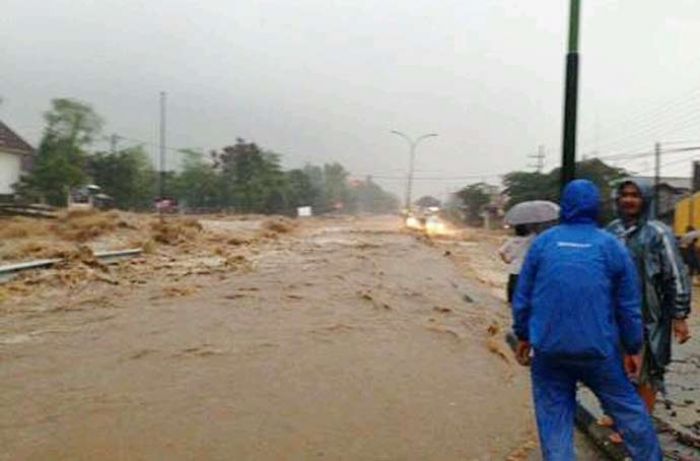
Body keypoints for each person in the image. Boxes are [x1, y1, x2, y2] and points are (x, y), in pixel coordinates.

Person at [512, 179, 661, 460]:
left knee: (553, 418)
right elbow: (628, 306)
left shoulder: (543, 244)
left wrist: (523, 335)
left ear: (564, 205)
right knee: (630, 412)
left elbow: (523, 298)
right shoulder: (611, 246)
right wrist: (633, 348)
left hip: (549, 350)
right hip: (599, 351)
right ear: (596, 207)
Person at [607, 178, 692, 413]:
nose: (629, 200)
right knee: (615, 367)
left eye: (635, 195)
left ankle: (641, 424)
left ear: (645, 200)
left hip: (649, 316)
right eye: (624, 195)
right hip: (613, 315)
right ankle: (619, 418)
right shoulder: (612, 231)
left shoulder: (658, 233)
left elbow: (676, 274)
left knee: (648, 371)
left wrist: (680, 316)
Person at [498, 224, 535, 303]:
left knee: (512, 285)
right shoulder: (530, 240)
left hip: (514, 268)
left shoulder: (511, 240)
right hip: (526, 268)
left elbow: (501, 251)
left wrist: (506, 260)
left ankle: (510, 301)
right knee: (525, 286)